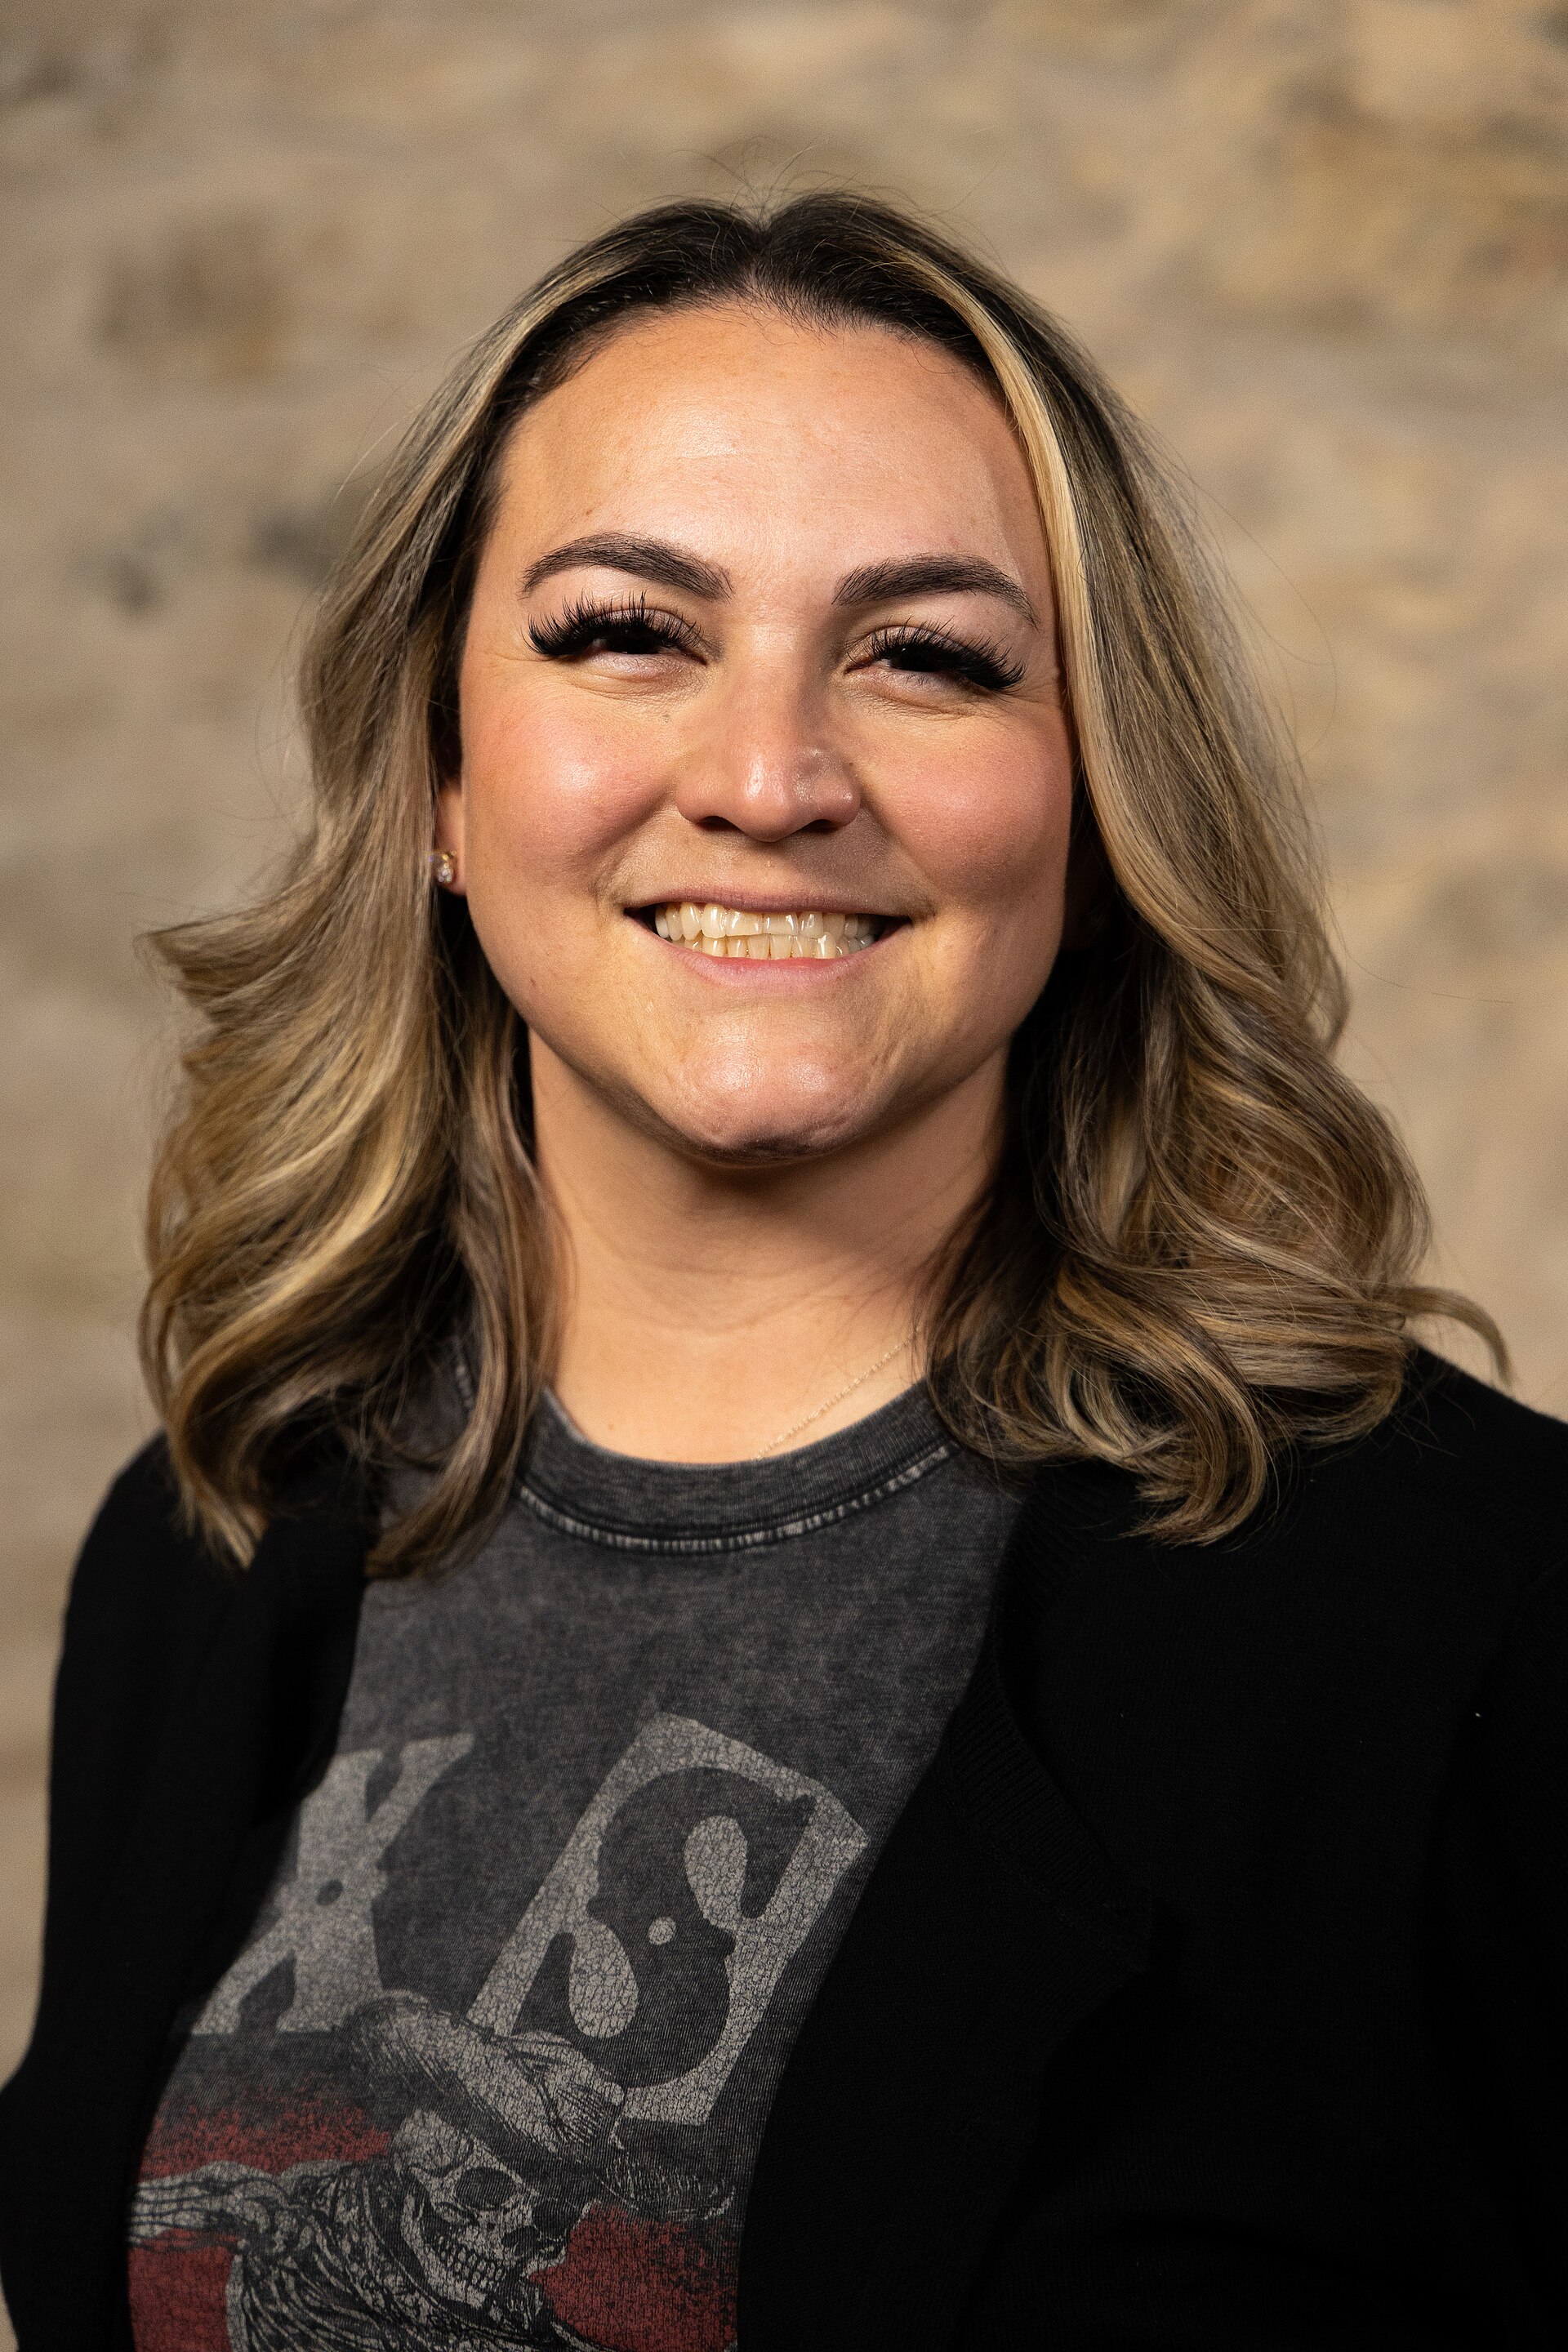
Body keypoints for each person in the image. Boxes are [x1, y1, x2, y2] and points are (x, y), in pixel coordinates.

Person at [0, 190, 1562, 2352]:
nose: (769, 779)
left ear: (1098, 813)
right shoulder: (215, 1548)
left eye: (924, 655)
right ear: (440, 779)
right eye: (628, 631)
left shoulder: (1478, 1615)